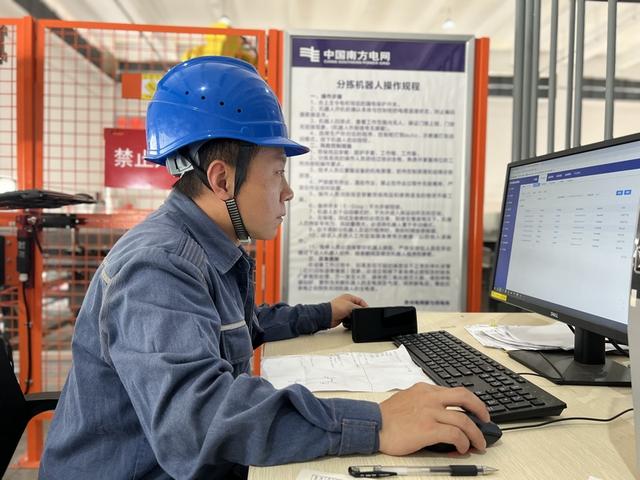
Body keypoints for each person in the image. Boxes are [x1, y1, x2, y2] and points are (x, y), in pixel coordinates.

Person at [40, 56, 489, 480]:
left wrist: (322, 314)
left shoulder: (199, 246)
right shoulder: (158, 266)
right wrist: (377, 422)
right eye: (277, 172)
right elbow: (194, 422)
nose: (287, 191)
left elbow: (237, 327)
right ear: (222, 180)